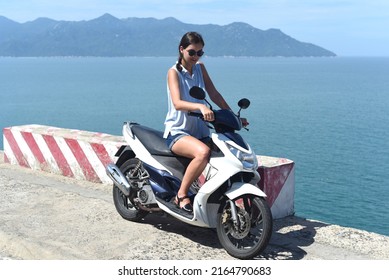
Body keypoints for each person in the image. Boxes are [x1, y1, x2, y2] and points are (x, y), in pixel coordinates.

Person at [163, 31, 234, 213]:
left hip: (201, 132)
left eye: (200, 53)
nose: (196, 56)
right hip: (178, 133)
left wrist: (233, 116)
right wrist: (200, 107)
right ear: (181, 50)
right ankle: (181, 195)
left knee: (228, 155)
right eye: (192, 52)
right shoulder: (173, 73)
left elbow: (215, 94)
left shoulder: (200, 68)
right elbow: (178, 103)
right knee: (203, 153)